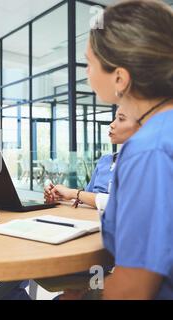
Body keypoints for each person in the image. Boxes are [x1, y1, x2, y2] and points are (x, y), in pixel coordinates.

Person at [63, 0, 173, 299]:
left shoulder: (147, 149)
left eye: (89, 63)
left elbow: (134, 288)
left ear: (120, 78)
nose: (86, 73)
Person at [44, 106, 139, 213]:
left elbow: (123, 203)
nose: (111, 124)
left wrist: (73, 193)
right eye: (114, 118)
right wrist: (61, 194)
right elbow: (87, 197)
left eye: (121, 119)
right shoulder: (105, 160)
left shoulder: (144, 164)